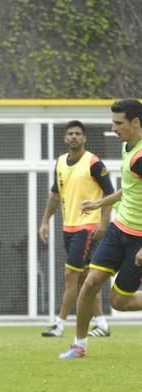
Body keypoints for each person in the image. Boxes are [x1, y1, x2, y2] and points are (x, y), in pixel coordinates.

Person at [60, 98, 142, 359]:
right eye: (112, 122)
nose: (114, 128)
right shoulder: (128, 147)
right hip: (119, 230)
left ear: (136, 123)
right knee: (90, 282)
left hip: (138, 240)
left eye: (118, 123)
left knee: (118, 302)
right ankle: (79, 345)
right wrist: (99, 202)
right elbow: (128, 190)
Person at [39, 120, 114, 338]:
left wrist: (103, 222)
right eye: (70, 133)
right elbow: (55, 195)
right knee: (83, 279)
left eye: (78, 133)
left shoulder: (94, 163)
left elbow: (110, 194)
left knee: (70, 274)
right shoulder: (61, 162)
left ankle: (59, 324)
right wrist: (44, 221)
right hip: (68, 227)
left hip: (87, 226)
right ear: (65, 138)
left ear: (84, 138)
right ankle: (101, 323)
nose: (74, 136)